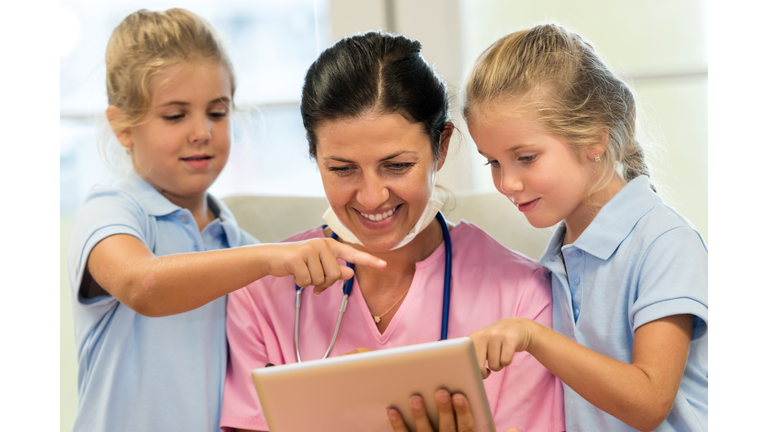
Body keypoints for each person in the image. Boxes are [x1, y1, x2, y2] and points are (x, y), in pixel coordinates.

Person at [220, 31, 564, 432]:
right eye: (342, 169)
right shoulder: (260, 291)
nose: (370, 197)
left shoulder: (523, 295)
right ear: (315, 156)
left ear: (442, 145)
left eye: (397, 166)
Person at [66, 9, 383, 432]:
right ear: (123, 126)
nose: (202, 132)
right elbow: (141, 284)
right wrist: (267, 258)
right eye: (175, 116)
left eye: (216, 113)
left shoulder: (239, 243)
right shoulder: (111, 210)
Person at [460, 24, 708, 431]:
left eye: (525, 157)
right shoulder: (559, 256)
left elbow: (648, 402)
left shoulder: (667, 244)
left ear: (594, 139)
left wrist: (532, 336)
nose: (507, 183)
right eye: (493, 163)